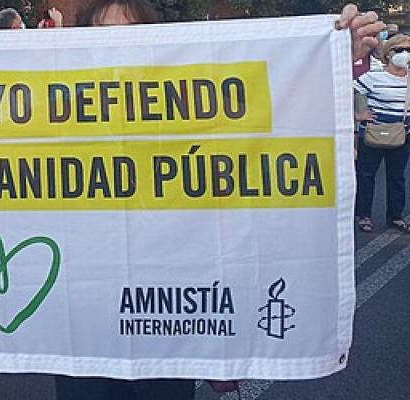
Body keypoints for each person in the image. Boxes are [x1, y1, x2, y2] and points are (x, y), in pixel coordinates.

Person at [64, 0, 383, 399]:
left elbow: (274, 111)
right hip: (87, 328)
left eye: (133, 35)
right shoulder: (59, 118)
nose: (120, 48)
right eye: (106, 36)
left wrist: (333, 57)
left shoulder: (186, 112)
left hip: (166, 324)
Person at [354, 34, 410, 233]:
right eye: (400, 50)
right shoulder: (373, 77)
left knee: (397, 177)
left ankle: (395, 216)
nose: (405, 54)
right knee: (366, 176)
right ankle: (364, 216)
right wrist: (359, 114)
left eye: (408, 50)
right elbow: (352, 92)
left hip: (401, 135)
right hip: (372, 134)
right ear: (389, 54)